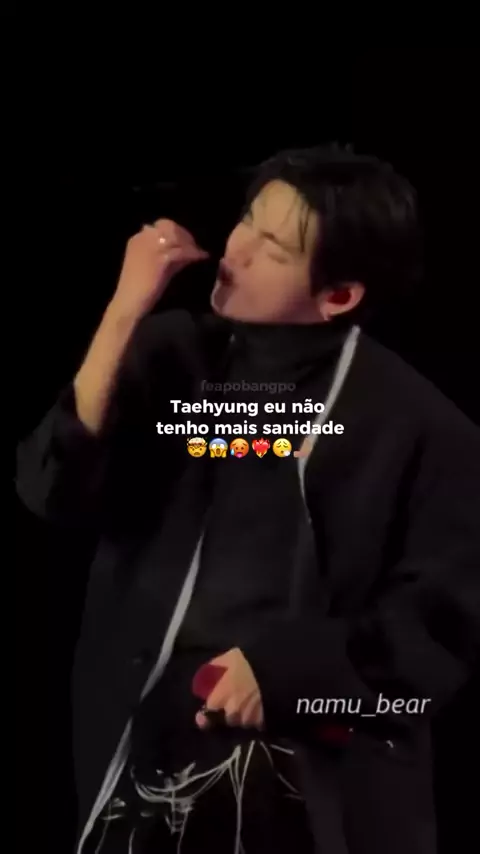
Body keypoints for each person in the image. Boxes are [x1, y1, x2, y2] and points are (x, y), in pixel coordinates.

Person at [16, 146, 480, 854]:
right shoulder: (178, 358)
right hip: (138, 774)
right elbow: (52, 490)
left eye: (274, 247)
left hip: (317, 804)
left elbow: (441, 626)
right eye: (247, 220)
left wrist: (290, 672)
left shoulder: (422, 428)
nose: (237, 248)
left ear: (339, 295)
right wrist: (123, 312)